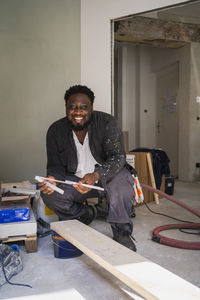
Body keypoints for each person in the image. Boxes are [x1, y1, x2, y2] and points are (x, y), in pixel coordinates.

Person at [40, 84, 136, 251]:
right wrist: (53, 179)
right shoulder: (55, 130)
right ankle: (86, 213)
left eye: (83, 107)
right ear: (66, 107)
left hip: (105, 179)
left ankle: (121, 232)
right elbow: (55, 165)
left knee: (122, 180)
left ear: (91, 107)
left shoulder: (107, 122)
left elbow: (118, 158)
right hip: (75, 182)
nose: (78, 112)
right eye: (73, 107)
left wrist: (95, 175)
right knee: (49, 194)